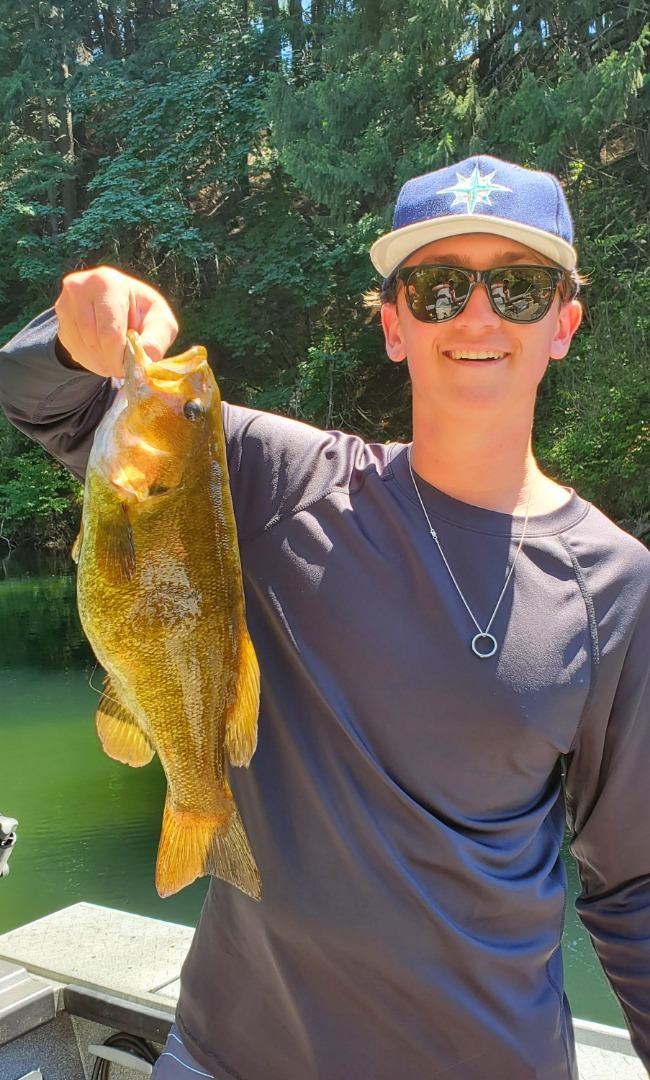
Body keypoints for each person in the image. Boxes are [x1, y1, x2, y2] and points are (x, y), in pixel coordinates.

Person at [1, 154, 649, 1080]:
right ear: (392, 324)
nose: (475, 314)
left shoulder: (619, 588)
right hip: (228, 1054)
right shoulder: (278, 479)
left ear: (564, 322)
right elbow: (46, 404)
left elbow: (633, 888)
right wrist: (77, 331)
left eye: (518, 285)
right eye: (434, 287)